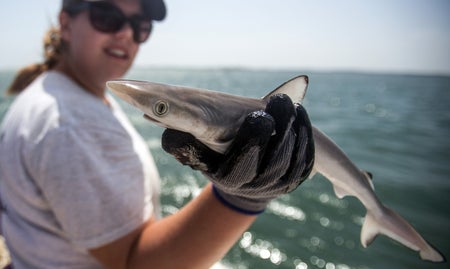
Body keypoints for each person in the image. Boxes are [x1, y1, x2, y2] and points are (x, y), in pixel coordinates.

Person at [0, 0, 315, 268]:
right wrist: (242, 194)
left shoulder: (53, 93)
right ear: (66, 25)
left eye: (140, 26)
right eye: (107, 18)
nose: (126, 34)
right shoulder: (71, 125)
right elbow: (135, 264)